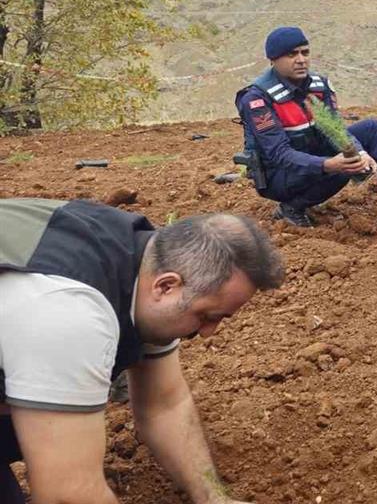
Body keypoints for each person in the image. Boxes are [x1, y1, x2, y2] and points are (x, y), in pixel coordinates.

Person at [0, 198, 284, 504]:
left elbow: (165, 406)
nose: (207, 332)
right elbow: (68, 494)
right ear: (166, 287)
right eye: (206, 316)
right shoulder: (68, 311)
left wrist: (214, 498)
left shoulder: (147, 266)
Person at [234, 26, 377, 228]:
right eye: (291, 55)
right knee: (342, 166)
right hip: (279, 175)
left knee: (373, 128)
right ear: (273, 59)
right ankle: (293, 207)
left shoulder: (319, 86)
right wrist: (328, 164)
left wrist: (358, 151)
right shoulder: (257, 99)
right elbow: (280, 154)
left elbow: (335, 130)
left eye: (305, 53)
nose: (301, 60)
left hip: (312, 155)